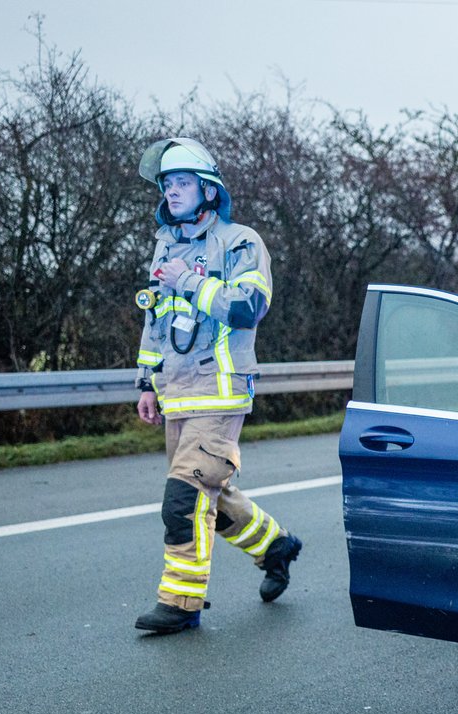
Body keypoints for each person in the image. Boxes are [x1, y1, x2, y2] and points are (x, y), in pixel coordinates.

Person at [129, 137, 301, 635]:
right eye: (167, 183)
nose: (172, 191)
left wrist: (188, 281)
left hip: (220, 392)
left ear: (208, 190)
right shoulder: (166, 246)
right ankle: (276, 546)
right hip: (177, 395)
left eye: (183, 182)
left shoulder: (241, 241)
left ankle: (181, 604)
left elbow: (248, 307)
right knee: (210, 495)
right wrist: (147, 382)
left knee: (184, 500)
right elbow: (156, 321)